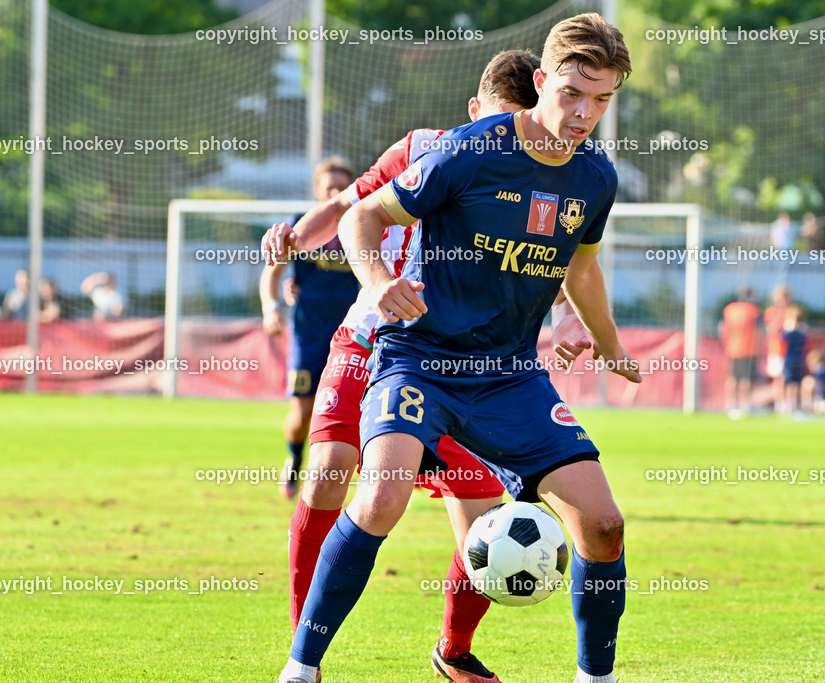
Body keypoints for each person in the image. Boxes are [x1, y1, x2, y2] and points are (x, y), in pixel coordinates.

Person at [276, 14, 640, 683]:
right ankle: (301, 668)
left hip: (508, 376)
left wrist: (609, 343)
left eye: (603, 99)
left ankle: (596, 676)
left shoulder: (595, 177)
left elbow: (581, 268)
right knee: (381, 496)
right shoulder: (471, 149)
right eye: (572, 93)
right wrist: (379, 281)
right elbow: (361, 215)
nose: (586, 113)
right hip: (419, 360)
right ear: (540, 83)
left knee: (603, 522)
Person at [260, 158, 362, 500]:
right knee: (302, 412)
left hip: (356, 337)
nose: (334, 192)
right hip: (309, 335)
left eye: (341, 187)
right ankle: (294, 458)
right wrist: (271, 307)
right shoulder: (300, 227)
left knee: (358, 411)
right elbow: (273, 272)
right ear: (318, 191)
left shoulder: (363, 224)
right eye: (329, 187)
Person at [718, 284, 760, 419]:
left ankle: (731, 404)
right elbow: (760, 331)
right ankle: (746, 405)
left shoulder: (729, 309)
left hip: (733, 348)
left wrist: (726, 343)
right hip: (749, 349)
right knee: (746, 379)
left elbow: (723, 328)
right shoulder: (753, 310)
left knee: (733, 378)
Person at [763, 285, 792, 412]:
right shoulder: (772, 312)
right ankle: (779, 404)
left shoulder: (791, 312)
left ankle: (786, 404)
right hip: (776, 350)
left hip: (789, 351)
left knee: (787, 378)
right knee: (778, 378)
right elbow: (771, 328)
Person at [780, 305, 808, 415]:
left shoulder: (800, 331)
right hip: (790, 358)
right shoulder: (789, 330)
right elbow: (783, 338)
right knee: (788, 382)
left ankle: (796, 406)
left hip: (797, 358)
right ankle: (787, 405)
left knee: (796, 383)